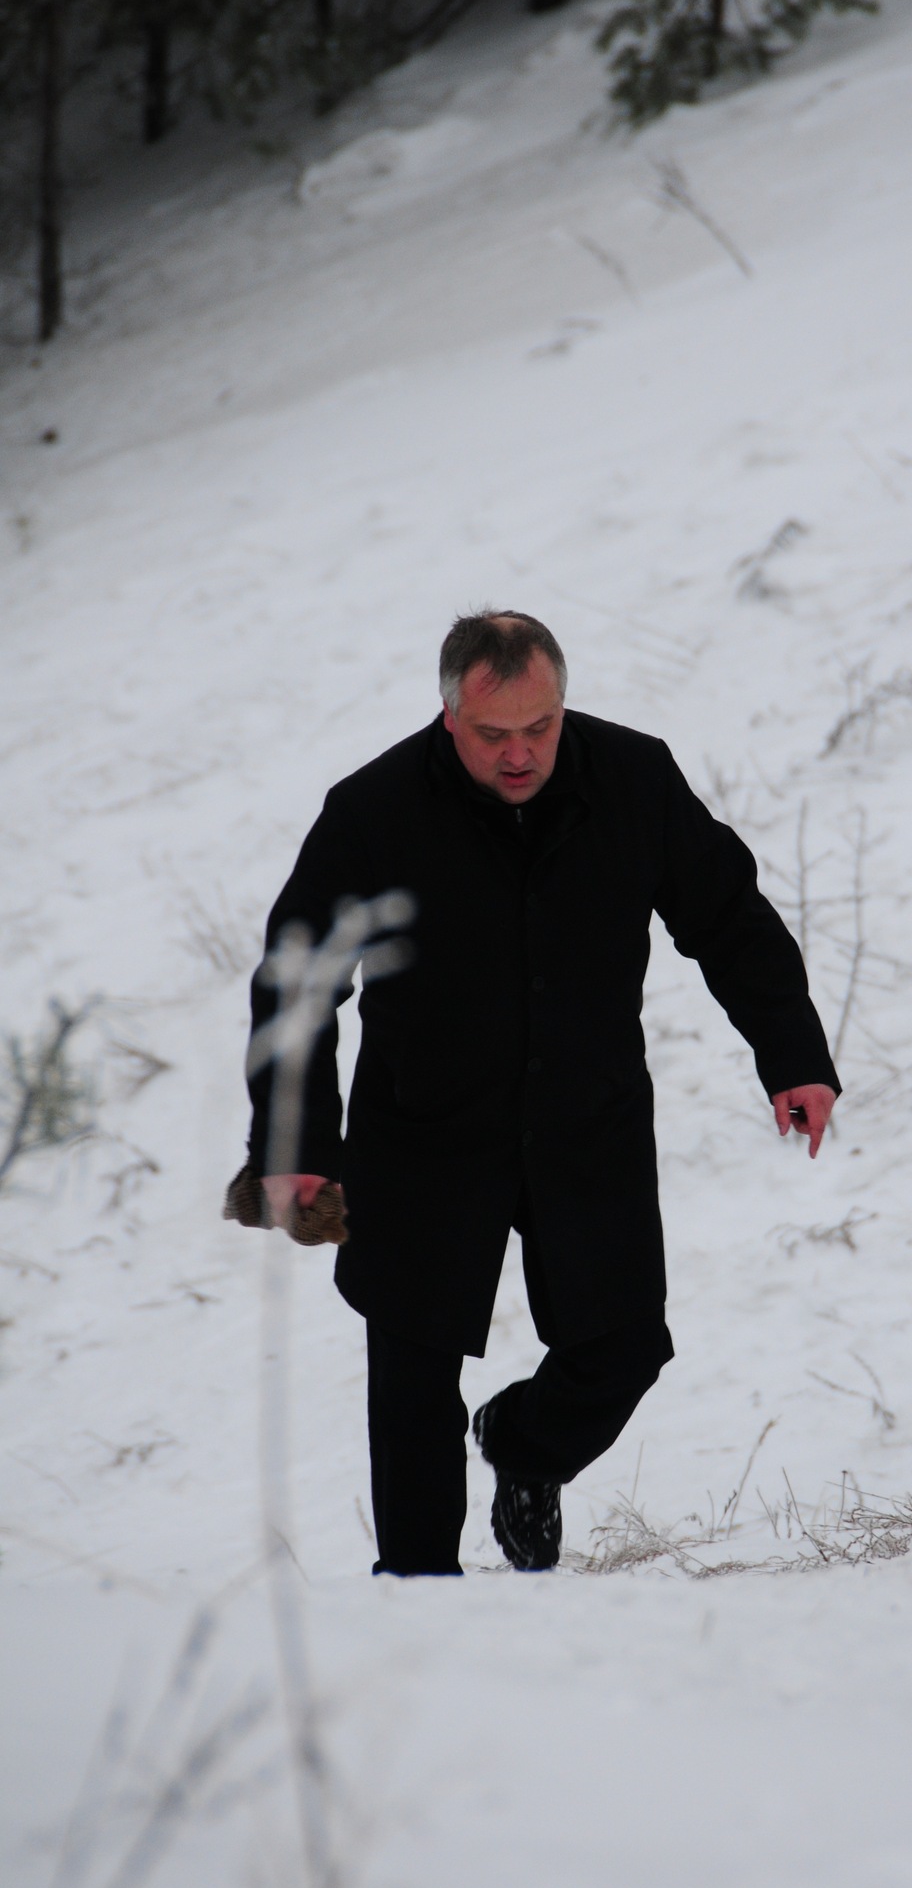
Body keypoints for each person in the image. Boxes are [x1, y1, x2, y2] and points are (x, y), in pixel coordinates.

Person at [243, 610, 840, 1575]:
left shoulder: (633, 778)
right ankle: (415, 1591)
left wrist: (792, 1054)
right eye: (493, 734)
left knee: (625, 1346)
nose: (520, 754)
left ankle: (525, 1448)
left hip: (585, 1121)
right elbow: (299, 981)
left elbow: (728, 917)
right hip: (424, 1134)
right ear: (449, 716)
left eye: (540, 726)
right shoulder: (374, 811)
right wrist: (296, 1144)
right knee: (413, 1381)